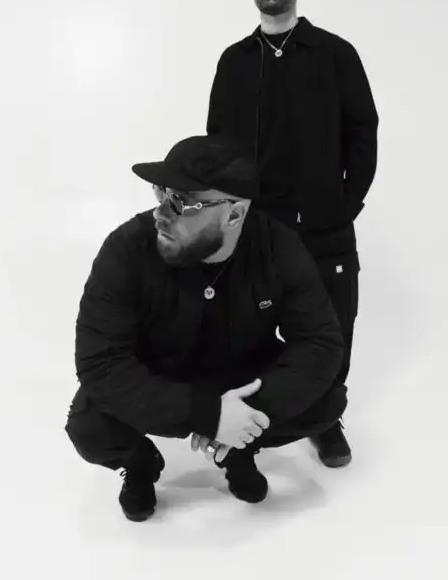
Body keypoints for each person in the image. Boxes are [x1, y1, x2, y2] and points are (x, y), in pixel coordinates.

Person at [64, 134, 347, 522]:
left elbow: (319, 343)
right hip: (158, 378)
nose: (161, 212)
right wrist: (205, 414)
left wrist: (246, 416)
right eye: (162, 192)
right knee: (88, 426)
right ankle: (141, 464)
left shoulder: (278, 247)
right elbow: (100, 363)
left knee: (327, 401)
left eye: (182, 201)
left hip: (243, 376)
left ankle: (239, 449)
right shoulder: (126, 249)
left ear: (234, 214)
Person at [206, 0, 378, 468]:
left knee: (332, 325)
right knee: (250, 328)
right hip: (256, 228)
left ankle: (324, 417)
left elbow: (363, 131)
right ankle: (253, 421)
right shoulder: (235, 61)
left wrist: (345, 205)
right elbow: (217, 144)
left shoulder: (335, 53)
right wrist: (229, 214)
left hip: (325, 225)